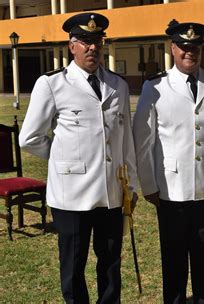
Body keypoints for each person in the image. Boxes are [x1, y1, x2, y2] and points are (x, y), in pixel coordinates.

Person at [19, 12, 138, 303]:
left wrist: (131, 185)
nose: (92, 47)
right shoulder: (52, 84)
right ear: (71, 45)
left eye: (97, 41)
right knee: (73, 263)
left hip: (110, 191)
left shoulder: (117, 85)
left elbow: (125, 139)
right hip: (71, 195)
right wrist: (64, 160)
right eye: (85, 41)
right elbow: (29, 138)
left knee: (110, 261)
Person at [132, 20, 204, 303]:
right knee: (173, 255)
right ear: (173, 49)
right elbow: (142, 140)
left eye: (194, 47)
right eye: (183, 47)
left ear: (201, 50)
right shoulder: (155, 86)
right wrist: (148, 185)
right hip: (171, 189)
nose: (189, 52)